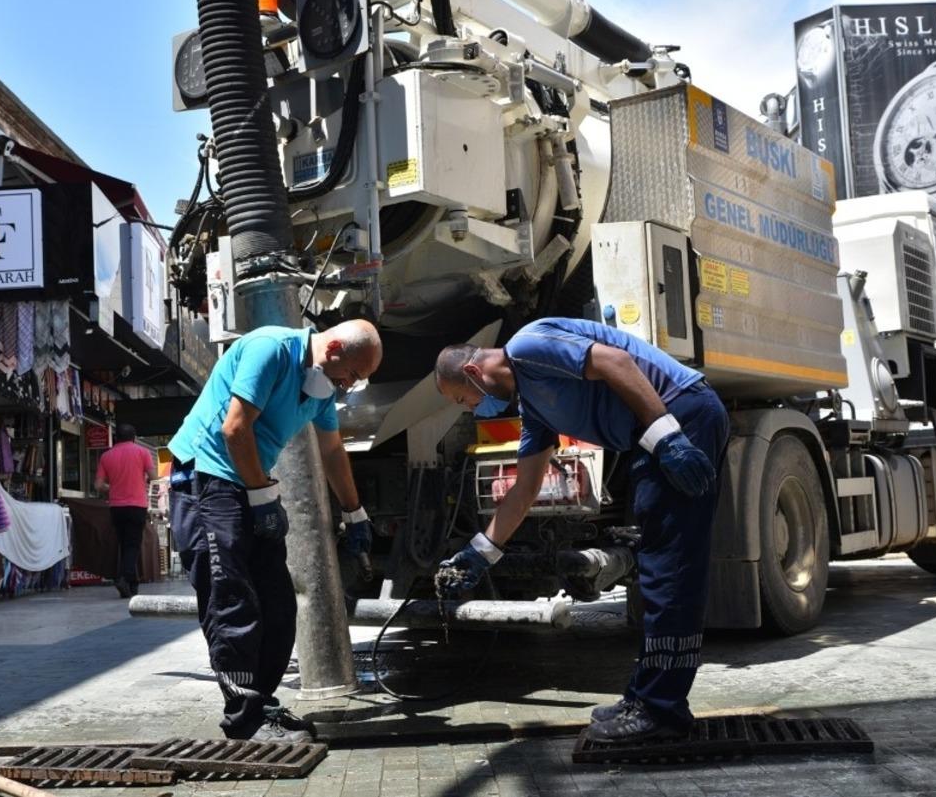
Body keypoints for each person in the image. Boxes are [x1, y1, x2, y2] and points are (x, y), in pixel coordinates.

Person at [433, 317, 729, 743]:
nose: (471, 409)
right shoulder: (534, 407)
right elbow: (525, 488)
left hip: (680, 415)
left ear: (474, 374)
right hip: (657, 430)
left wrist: (668, 439)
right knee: (657, 568)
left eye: (464, 399)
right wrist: (481, 553)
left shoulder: (528, 345)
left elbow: (615, 361)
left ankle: (662, 711)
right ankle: (647, 699)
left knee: (671, 568)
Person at [167, 319, 382, 744]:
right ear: (334, 347)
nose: (348, 385)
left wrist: (355, 512)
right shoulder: (271, 348)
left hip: (249, 483)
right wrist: (262, 496)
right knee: (232, 599)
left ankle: (261, 704)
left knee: (278, 604)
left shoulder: (317, 388)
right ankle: (244, 716)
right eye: (352, 375)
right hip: (206, 477)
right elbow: (235, 429)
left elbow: (333, 450)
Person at [94, 424, 157, 599]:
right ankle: (123, 578)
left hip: (116, 507)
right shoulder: (142, 453)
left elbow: (98, 485)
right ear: (134, 438)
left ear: (116, 438)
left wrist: (113, 487)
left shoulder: (106, 456)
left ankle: (131, 583)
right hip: (137, 505)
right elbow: (153, 477)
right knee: (133, 545)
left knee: (124, 544)